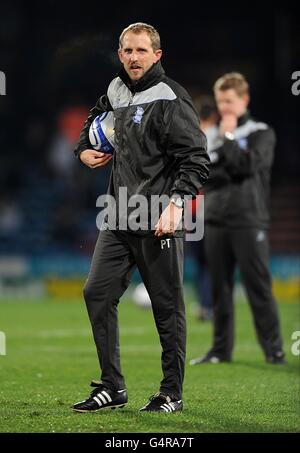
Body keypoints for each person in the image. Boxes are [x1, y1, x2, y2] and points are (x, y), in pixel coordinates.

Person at [72, 22, 209, 413]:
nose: (134, 57)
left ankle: (171, 393)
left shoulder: (170, 98)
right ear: (120, 54)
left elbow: (196, 159)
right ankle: (112, 386)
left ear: (157, 55)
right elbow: (93, 123)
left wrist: (177, 203)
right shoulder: (115, 90)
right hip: (118, 218)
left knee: (167, 309)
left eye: (141, 51)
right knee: (96, 293)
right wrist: (82, 149)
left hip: (158, 218)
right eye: (128, 51)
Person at [190, 72, 285, 365]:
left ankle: (273, 350)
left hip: (248, 219)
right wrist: (229, 155)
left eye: (230, 101)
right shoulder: (211, 136)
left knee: (258, 285)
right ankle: (220, 350)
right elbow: (205, 174)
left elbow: (249, 167)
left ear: (244, 99)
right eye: (221, 101)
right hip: (215, 218)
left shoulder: (261, 132)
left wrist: (229, 141)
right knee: (220, 288)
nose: (225, 107)